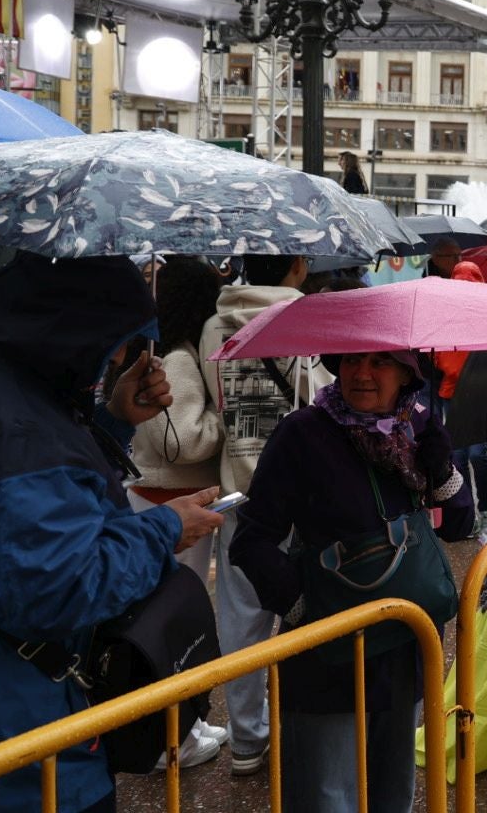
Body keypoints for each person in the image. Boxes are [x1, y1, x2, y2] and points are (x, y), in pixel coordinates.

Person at [0, 254, 223, 812]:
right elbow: (55, 590)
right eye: (120, 342)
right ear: (77, 330)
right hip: (10, 737)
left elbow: (42, 509)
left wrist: (114, 417)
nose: (123, 358)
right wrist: (164, 529)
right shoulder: (11, 431)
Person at [231, 350, 471, 813]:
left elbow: (460, 526)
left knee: (392, 792)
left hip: (403, 645)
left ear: (407, 374)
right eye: (351, 361)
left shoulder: (416, 427)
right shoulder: (302, 433)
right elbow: (252, 539)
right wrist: (302, 608)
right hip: (328, 656)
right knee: (327, 795)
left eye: (381, 362)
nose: (362, 373)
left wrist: (441, 468)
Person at [199, 253, 322, 777]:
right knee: (305, 616)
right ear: (297, 265)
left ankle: (248, 739)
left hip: (239, 498)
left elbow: (214, 402)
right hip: (300, 498)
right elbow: (318, 398)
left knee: (240, 620)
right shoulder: (306, 319)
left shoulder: (212, 325)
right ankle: (304, 734)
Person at [128, 256, 230, 768]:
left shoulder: (155, 350)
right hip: (175, 502)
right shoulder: (182, 360)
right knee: (169, 620)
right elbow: (182, 441)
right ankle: (176, 739)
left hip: (154, 498)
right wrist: (222, 416)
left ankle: (183, 724)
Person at [432, 261, 487, 536]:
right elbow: (437, 352)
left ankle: (485, 507)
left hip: (481, 394)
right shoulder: (446, 314)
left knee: (475, 454)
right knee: (458, 456)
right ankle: (468, 512)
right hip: (452, 393)